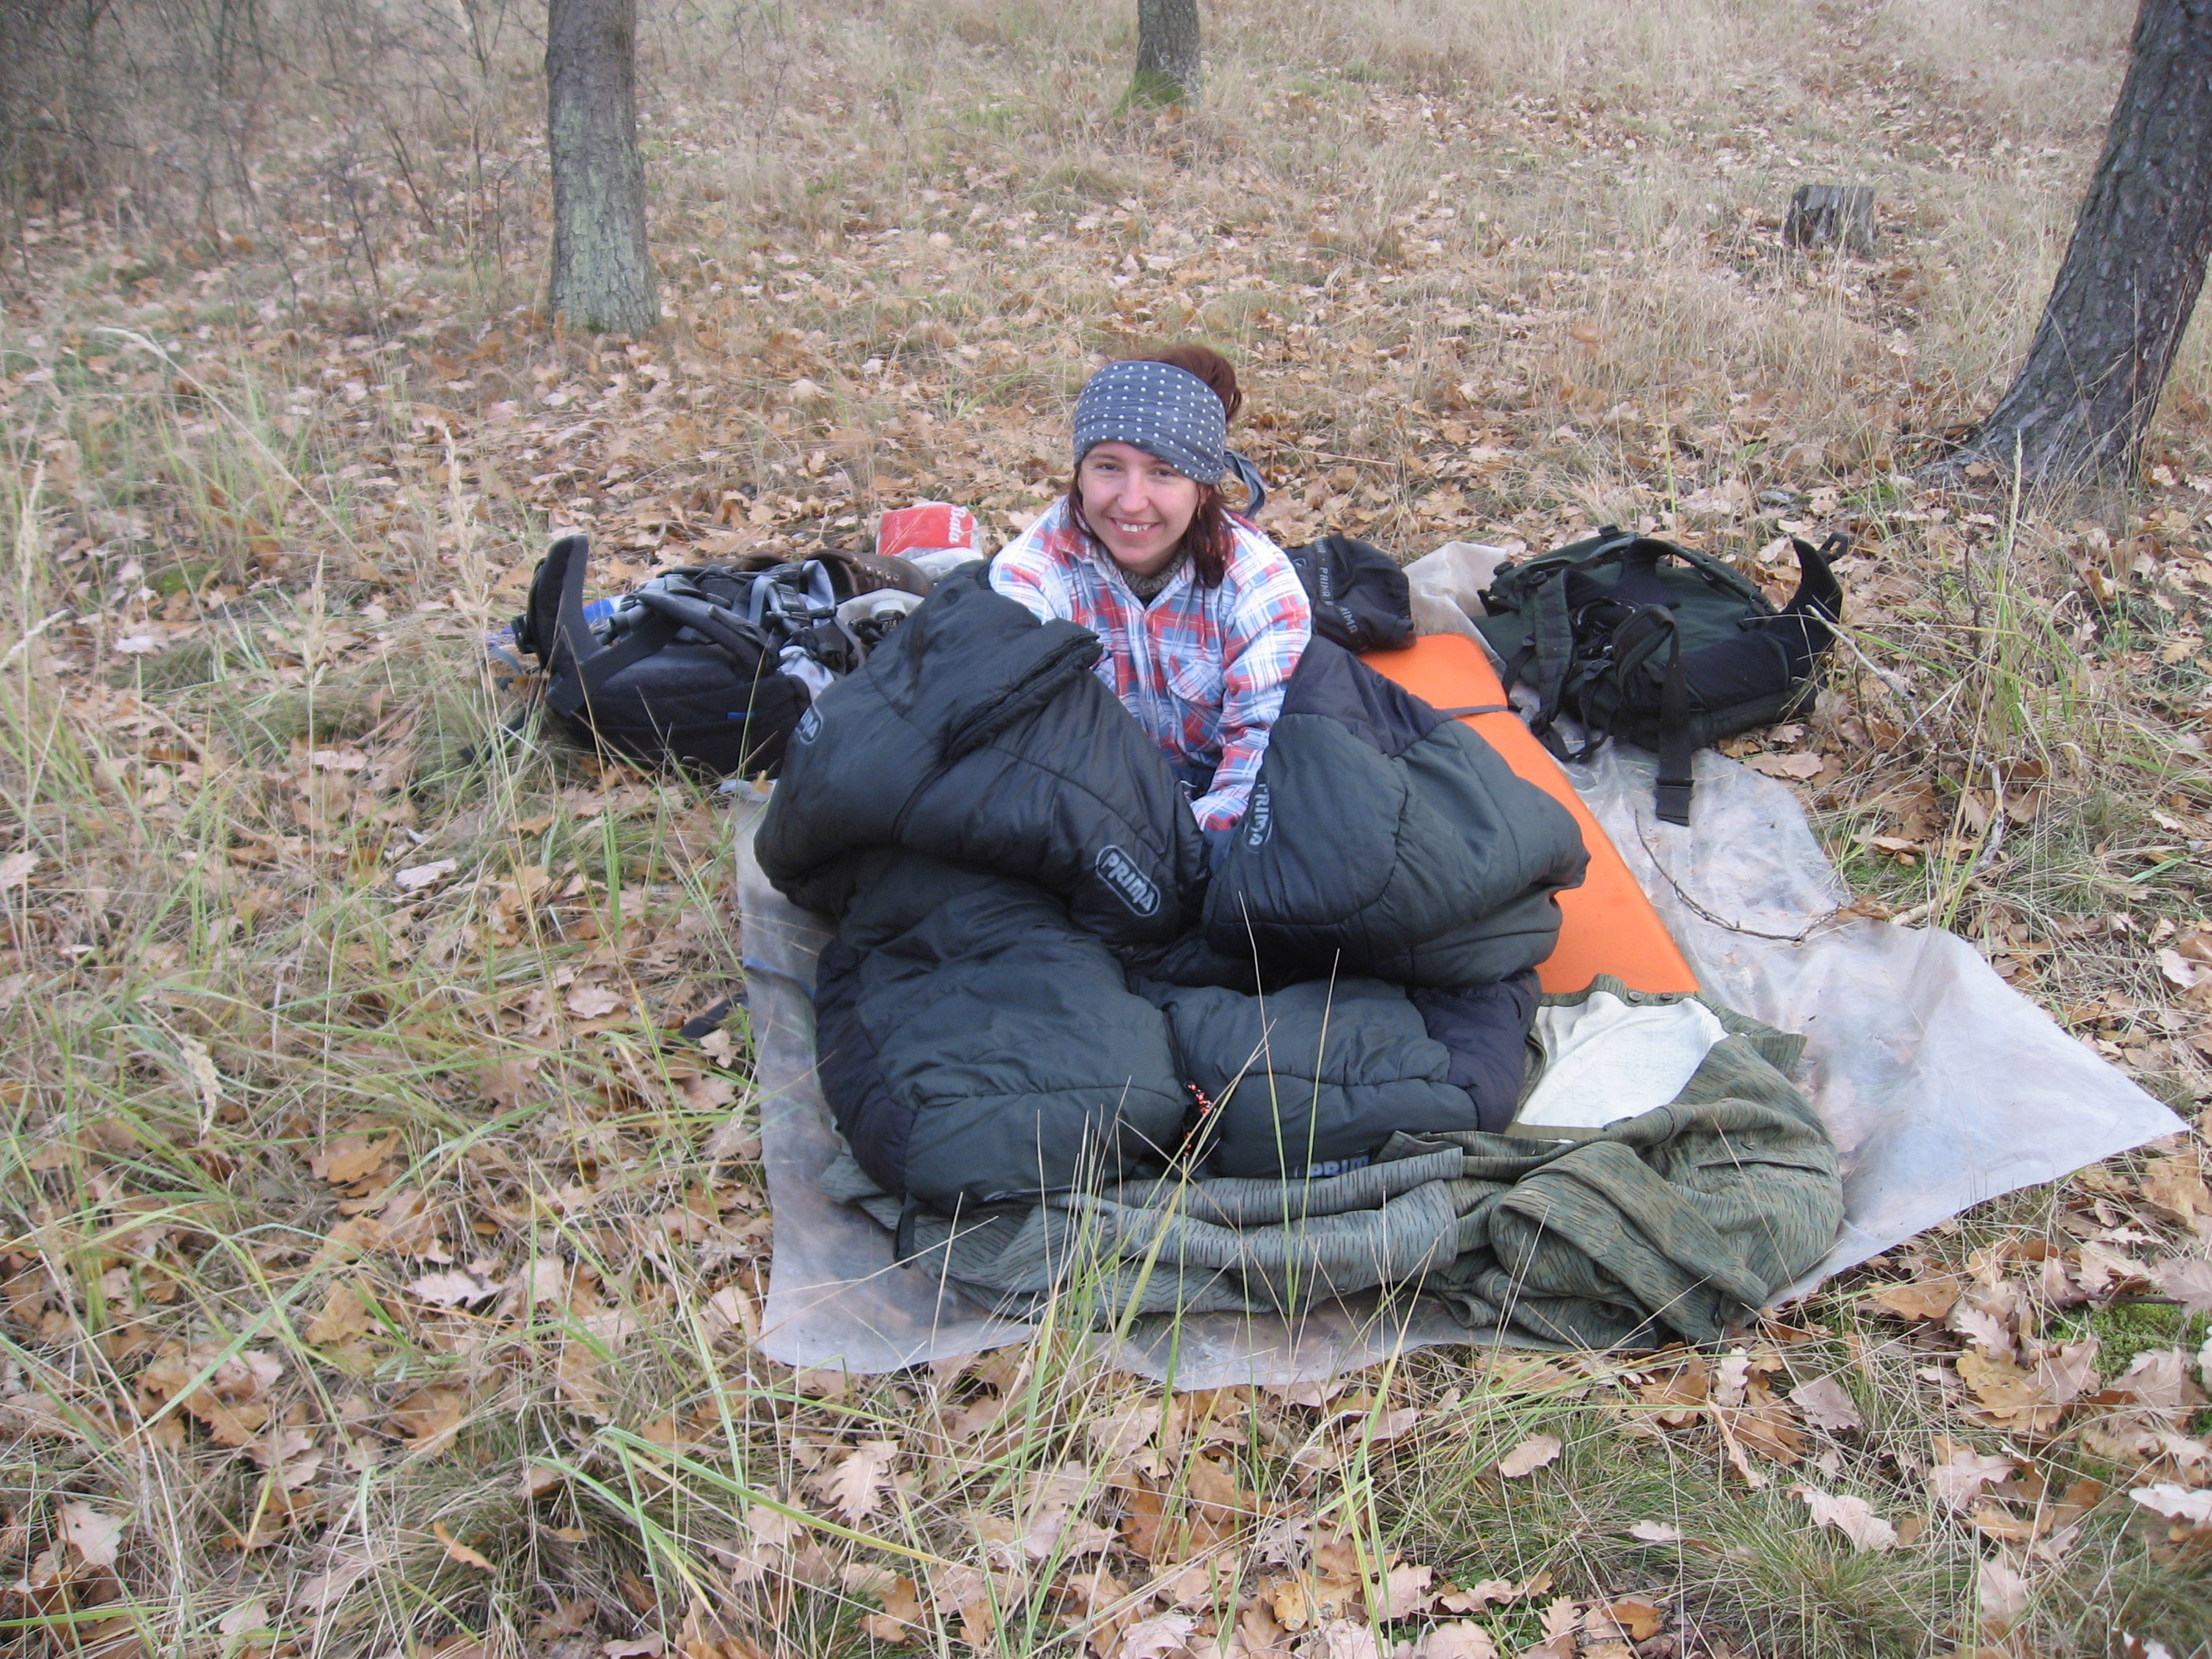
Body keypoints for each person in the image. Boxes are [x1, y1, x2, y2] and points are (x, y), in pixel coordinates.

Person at [989, 346, 1311, 843]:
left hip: (1215, 824)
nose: (1132, 502)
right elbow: (1022, 748)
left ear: (1203, 487)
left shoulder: (1259, 583)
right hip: (1086, 820)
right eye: (1108, 467)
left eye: (1163, 472)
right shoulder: (1029, 576)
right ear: (1080, 473)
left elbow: (1262, 748)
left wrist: (1186, 847)